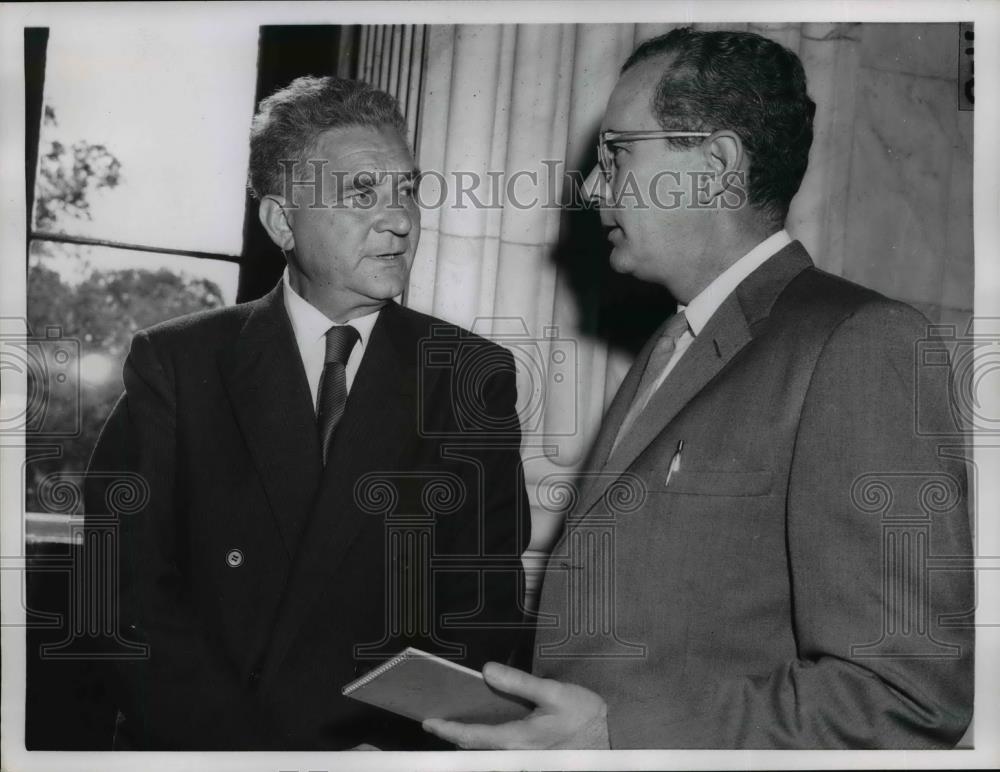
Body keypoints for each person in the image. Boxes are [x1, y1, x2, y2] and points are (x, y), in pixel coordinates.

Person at [423, 27, 974, 750]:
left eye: (617, 154)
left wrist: (618, 739)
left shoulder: (861, 342)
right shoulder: (674, 343)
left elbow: (904, 694)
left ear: (715, 164)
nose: (592, 187)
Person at [84, 76, 530, 750]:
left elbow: (480, 615)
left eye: (407, 190)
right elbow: (123, 597)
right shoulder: (177, 364)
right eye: (361, 194)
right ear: (282, 221)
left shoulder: (470, 378)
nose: (401, 219)